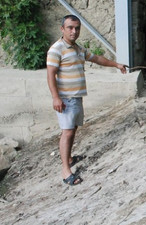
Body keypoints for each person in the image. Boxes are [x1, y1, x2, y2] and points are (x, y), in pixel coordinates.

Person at [46, 15, 127, 186]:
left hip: (76, 97)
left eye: (77, 28)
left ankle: (68, 158)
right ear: (62, 29)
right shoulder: (56, 49)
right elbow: (50, 74)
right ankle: (65, 170)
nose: (74, 31)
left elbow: (96, 58)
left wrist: (116, 65)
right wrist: (55, 97)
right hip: (65, 99)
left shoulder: (77, 49)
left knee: (73, 129)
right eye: (70, 27)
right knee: (67, 132)